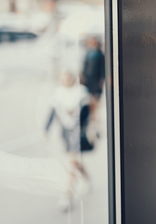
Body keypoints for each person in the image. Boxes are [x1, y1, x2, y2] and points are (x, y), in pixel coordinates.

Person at [45, 70, 94, 211]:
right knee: (75, 162)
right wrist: (46, 130)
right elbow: (52, 113)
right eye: (63, 78)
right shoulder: (58, 94)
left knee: (71, 163)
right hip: (66, 134)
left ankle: (66, 196)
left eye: (68, 78)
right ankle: (86, 178)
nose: (66, 81)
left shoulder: (82, 93)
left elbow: (89, 113)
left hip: (78, 134)